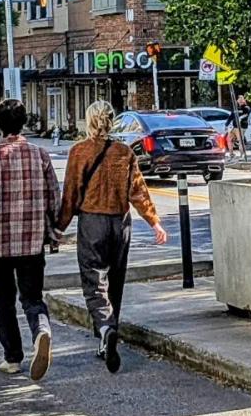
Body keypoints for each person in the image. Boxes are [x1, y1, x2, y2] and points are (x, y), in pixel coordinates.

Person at [57, 101, 168, 373]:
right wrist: (154, 222)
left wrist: (58, 228)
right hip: (121, 224)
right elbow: (138, 190)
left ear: (89, 120)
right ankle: (107, 336)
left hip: (92, 221)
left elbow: (71, 194)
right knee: (115, 279)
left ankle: (106, 328)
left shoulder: (79, 152)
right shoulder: (124, 152)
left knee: (93, 280)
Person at [0, 99, 60, 381]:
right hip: (32, 243)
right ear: (23, 124)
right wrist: (53, 234)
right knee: (32, 297)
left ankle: (12, 358)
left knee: (3, 301)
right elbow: (54, 199)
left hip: (0, 245)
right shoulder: (40, 155)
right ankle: (41, 329)